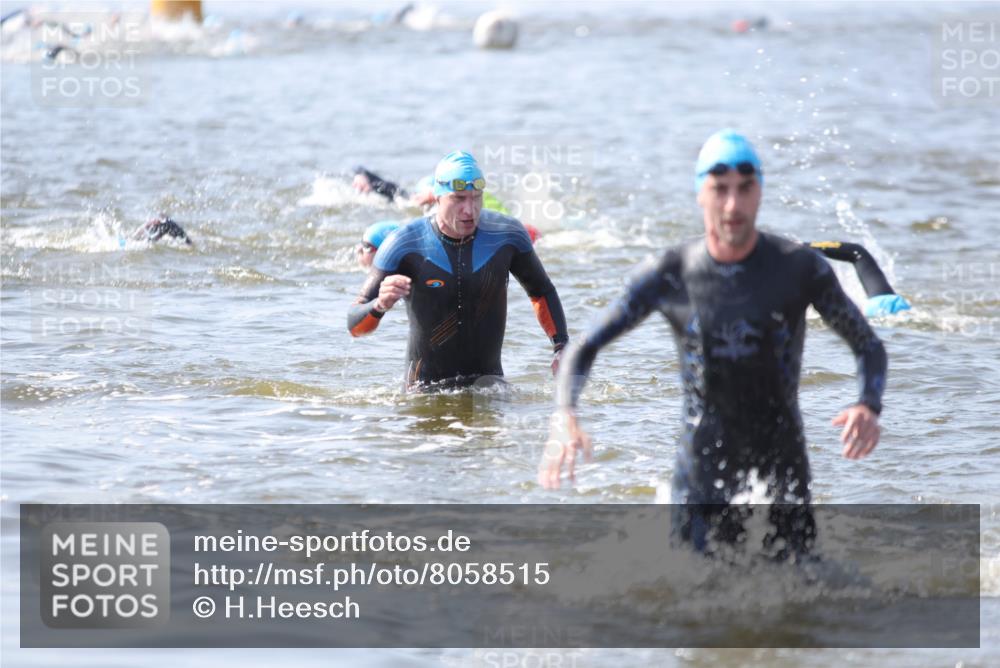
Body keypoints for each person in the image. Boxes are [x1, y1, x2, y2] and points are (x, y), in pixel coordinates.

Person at [539, 130, 887, 559]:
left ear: (760, 191)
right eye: (720, 190)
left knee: (801, 601)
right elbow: (584, 346)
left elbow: (867, 344)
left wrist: (868, 403)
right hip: (703, 468)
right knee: (696, 601)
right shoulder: (670, 272)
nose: (733, 205)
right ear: (699, 192)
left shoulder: (799, 268)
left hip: (782, 464)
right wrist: (565, 414)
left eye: (745, 189)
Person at [347, 151, 568, 389]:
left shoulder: (507, 235)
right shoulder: (404, 243)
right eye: (459, 198)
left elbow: (541, 291)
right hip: (424, 393)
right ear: (438, 198)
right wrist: (380, 305)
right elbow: (354, 325)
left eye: (476, 198)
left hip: (489, 388)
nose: (470, 210)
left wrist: (561, 347)